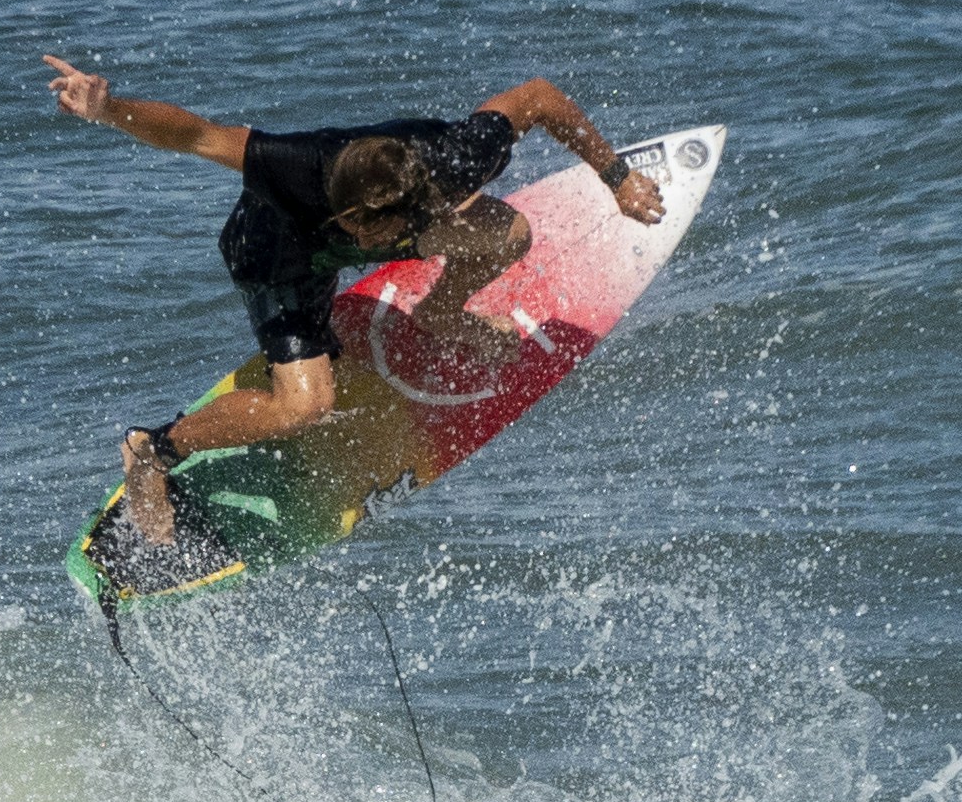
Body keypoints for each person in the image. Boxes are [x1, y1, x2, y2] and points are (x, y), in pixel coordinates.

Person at [43, 56, 667, 547]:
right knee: (306, 406)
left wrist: (616, 177)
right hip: (279, 257)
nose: (382, 246)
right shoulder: (295, 168)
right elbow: (197, 136)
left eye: (394, 231)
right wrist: (109, 109)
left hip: (400, 211)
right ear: (344, 211)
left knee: (510, 235)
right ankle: (153, 449)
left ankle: (442, 309)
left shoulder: (450, 161)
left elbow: (536, 96)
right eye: (373, 235)